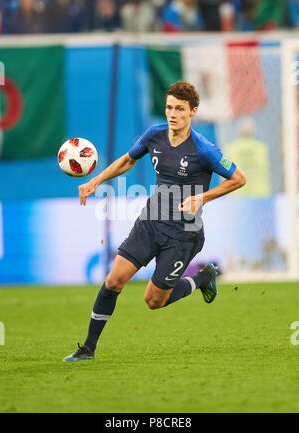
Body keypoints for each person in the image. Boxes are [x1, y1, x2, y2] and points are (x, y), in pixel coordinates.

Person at [62, 81, 246, 362]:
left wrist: (203, 198)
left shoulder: (204, 149)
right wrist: (96, 181)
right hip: (150, 222)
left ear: (193, 111)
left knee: (153, 301)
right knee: (113, 280)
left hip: (184, 233)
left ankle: (204, 277)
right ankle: (87, 348)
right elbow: (128, 160)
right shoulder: (155, 135)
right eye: (169, 107)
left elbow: (238, 179)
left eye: (180, 109)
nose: (173, 113)